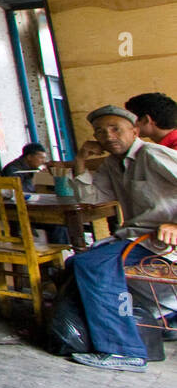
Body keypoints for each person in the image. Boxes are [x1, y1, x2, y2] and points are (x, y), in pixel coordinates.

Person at [65, 105, 177, 372]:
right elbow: (89, 199)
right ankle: (154, 321)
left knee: (91, 266)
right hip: (138, 237)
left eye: (116, 128)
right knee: (77, 264)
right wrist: (80, 161)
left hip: (161, 239)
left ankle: (122, 350)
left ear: (135, 130)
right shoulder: (113, 164)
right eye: (100, 132)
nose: (108, 136)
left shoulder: (151, 153)